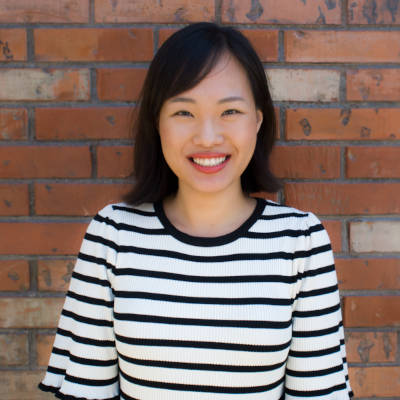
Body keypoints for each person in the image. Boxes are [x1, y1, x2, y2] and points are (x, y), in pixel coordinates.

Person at [39, 22, 353, 399]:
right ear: (157, 123)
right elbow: (85, 392)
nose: (207, 136)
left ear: (258, 119)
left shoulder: (300, 241)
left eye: (230, 111)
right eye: (184, 113)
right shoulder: (113, 234)